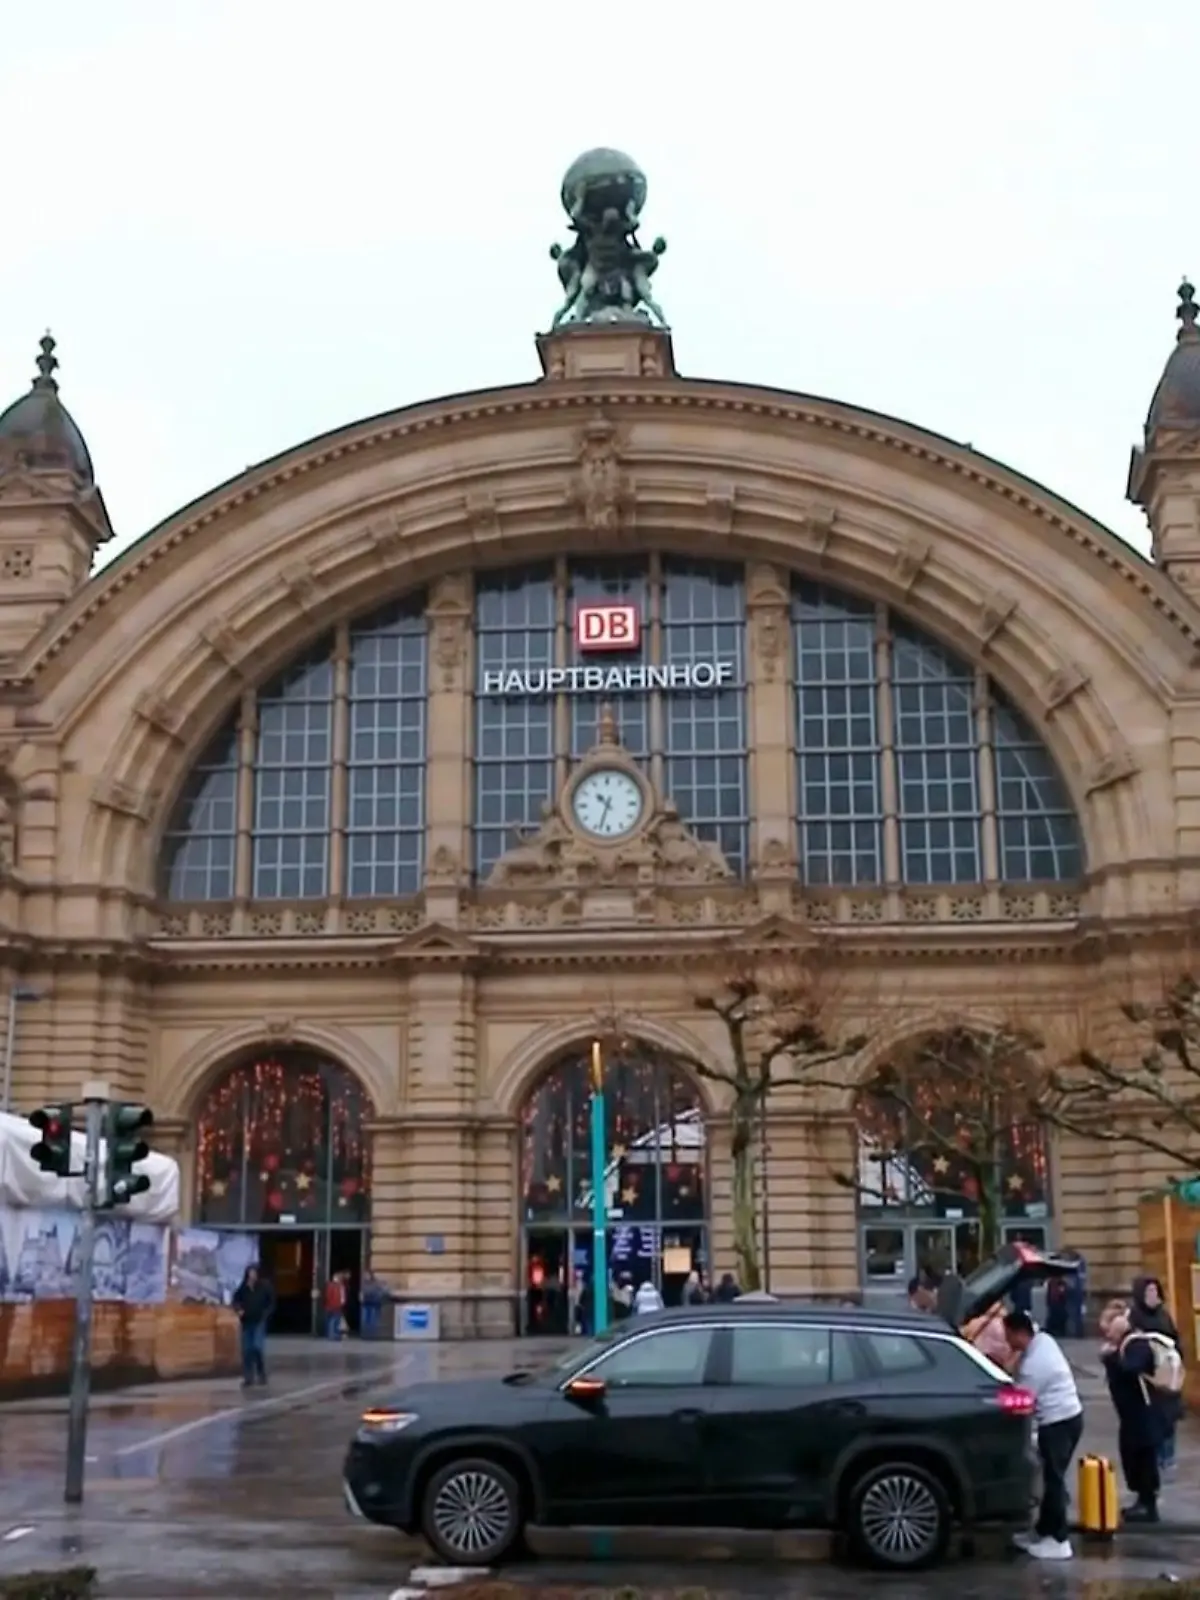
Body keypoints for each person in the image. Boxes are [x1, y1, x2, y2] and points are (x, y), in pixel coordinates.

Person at [1003, 1308, 1083, 1561]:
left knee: (1054, 1482)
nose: (1007, 1342)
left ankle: (1059, 1540)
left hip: (1057, 1423)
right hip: (1069, 1418)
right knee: (1052, 1479)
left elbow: (1020, 1400)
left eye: (1008, 1336)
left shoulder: (1034, 1366)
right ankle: (1042, 1531)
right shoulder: (1044, 1341)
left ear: (1020, 1333)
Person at [1129, 1276, 1184, 1475]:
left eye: (1155, 1291)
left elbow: (1175, 1338)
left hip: (1170, 1373)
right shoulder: (1135, 1317)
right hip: (1150, 1378)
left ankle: (1168, 1458)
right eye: (1148, 1292)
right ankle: (1159, 1458)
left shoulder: (1164, 1315)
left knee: (1170, 1417)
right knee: (1155, 1420)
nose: (1152, 1296)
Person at [232, 1264, 274, 1388]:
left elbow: (271, 1302)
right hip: (246, 1322)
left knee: (257, 1347)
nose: (252, 1276)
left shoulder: (264, 1286)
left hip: (259, 1321)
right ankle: (248, 1377)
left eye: (254, 1273)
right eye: (250, 1273)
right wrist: (238, 1309)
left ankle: (261, 1373)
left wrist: (265, 1314)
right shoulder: (243, 1287)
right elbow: (236, 1300)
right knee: (246, 1350)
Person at [360, 1270, 386, 1339]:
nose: (365, 1277)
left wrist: (378, 1296)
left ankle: (372, 1335)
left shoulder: (376, 1283)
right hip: (366, 1303)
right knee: (366, 1320)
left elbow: (383, 1291)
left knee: (373, 1320)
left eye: (367, 1275)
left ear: (371, 1276)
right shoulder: (364, 1283)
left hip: (374, 1303)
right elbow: (362, 1292)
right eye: (365, 1275)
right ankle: (366, 1335)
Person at [324, 1271, 347, 1340]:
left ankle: (333, 1334)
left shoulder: (335, 1285)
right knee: (333, 1320)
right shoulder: (335, 1286)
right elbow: (329, 1296)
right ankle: (332, 1335)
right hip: (335, 1305)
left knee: (334, 1320)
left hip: (334, 1305)